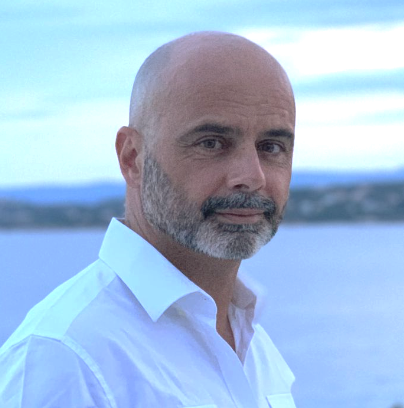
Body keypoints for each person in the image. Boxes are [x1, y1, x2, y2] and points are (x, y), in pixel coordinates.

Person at [0, 31, 297, 407]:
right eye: (211, 143)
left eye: (272, 147)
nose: (252, 176)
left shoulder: (250, 341)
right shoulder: (66, 358)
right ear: (132, 158)